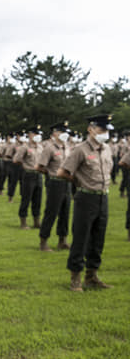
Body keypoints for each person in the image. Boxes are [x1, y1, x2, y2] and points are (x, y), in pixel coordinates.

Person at [57, 114, 113, 292]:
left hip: (103, 196)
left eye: (106, 130)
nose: (104, 133)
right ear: (90, 129)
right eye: (101, 130)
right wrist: (79, 182)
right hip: (86, 197)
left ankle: (92, 276)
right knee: (81, 237)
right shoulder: (80, 150)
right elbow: (62, 172)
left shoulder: (106, 149)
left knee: (98, 238)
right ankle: (75, 277)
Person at [36, 121, 72, 252]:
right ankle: (43, 241)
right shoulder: (49, 148)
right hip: (55, 182)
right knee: (51, 212)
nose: (65, 135)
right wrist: (51, 174)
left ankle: (62, 240)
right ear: (55, 133)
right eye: (62, 132)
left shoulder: (67, 147)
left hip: (66, 182)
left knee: (65, 212)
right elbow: (39, 166)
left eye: (66, 132)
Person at [13, 126, 44, 229]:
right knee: (26, 198)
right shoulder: (25, 147)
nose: (38, 136)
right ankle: (23, 222)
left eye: (38, 134)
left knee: (37, 199)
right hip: (28, 174)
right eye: (35, 134)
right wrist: (25, 165)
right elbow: (16, 159)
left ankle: (36, 222)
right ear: (30, 135)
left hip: (39, 175)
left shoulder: (40, 147)